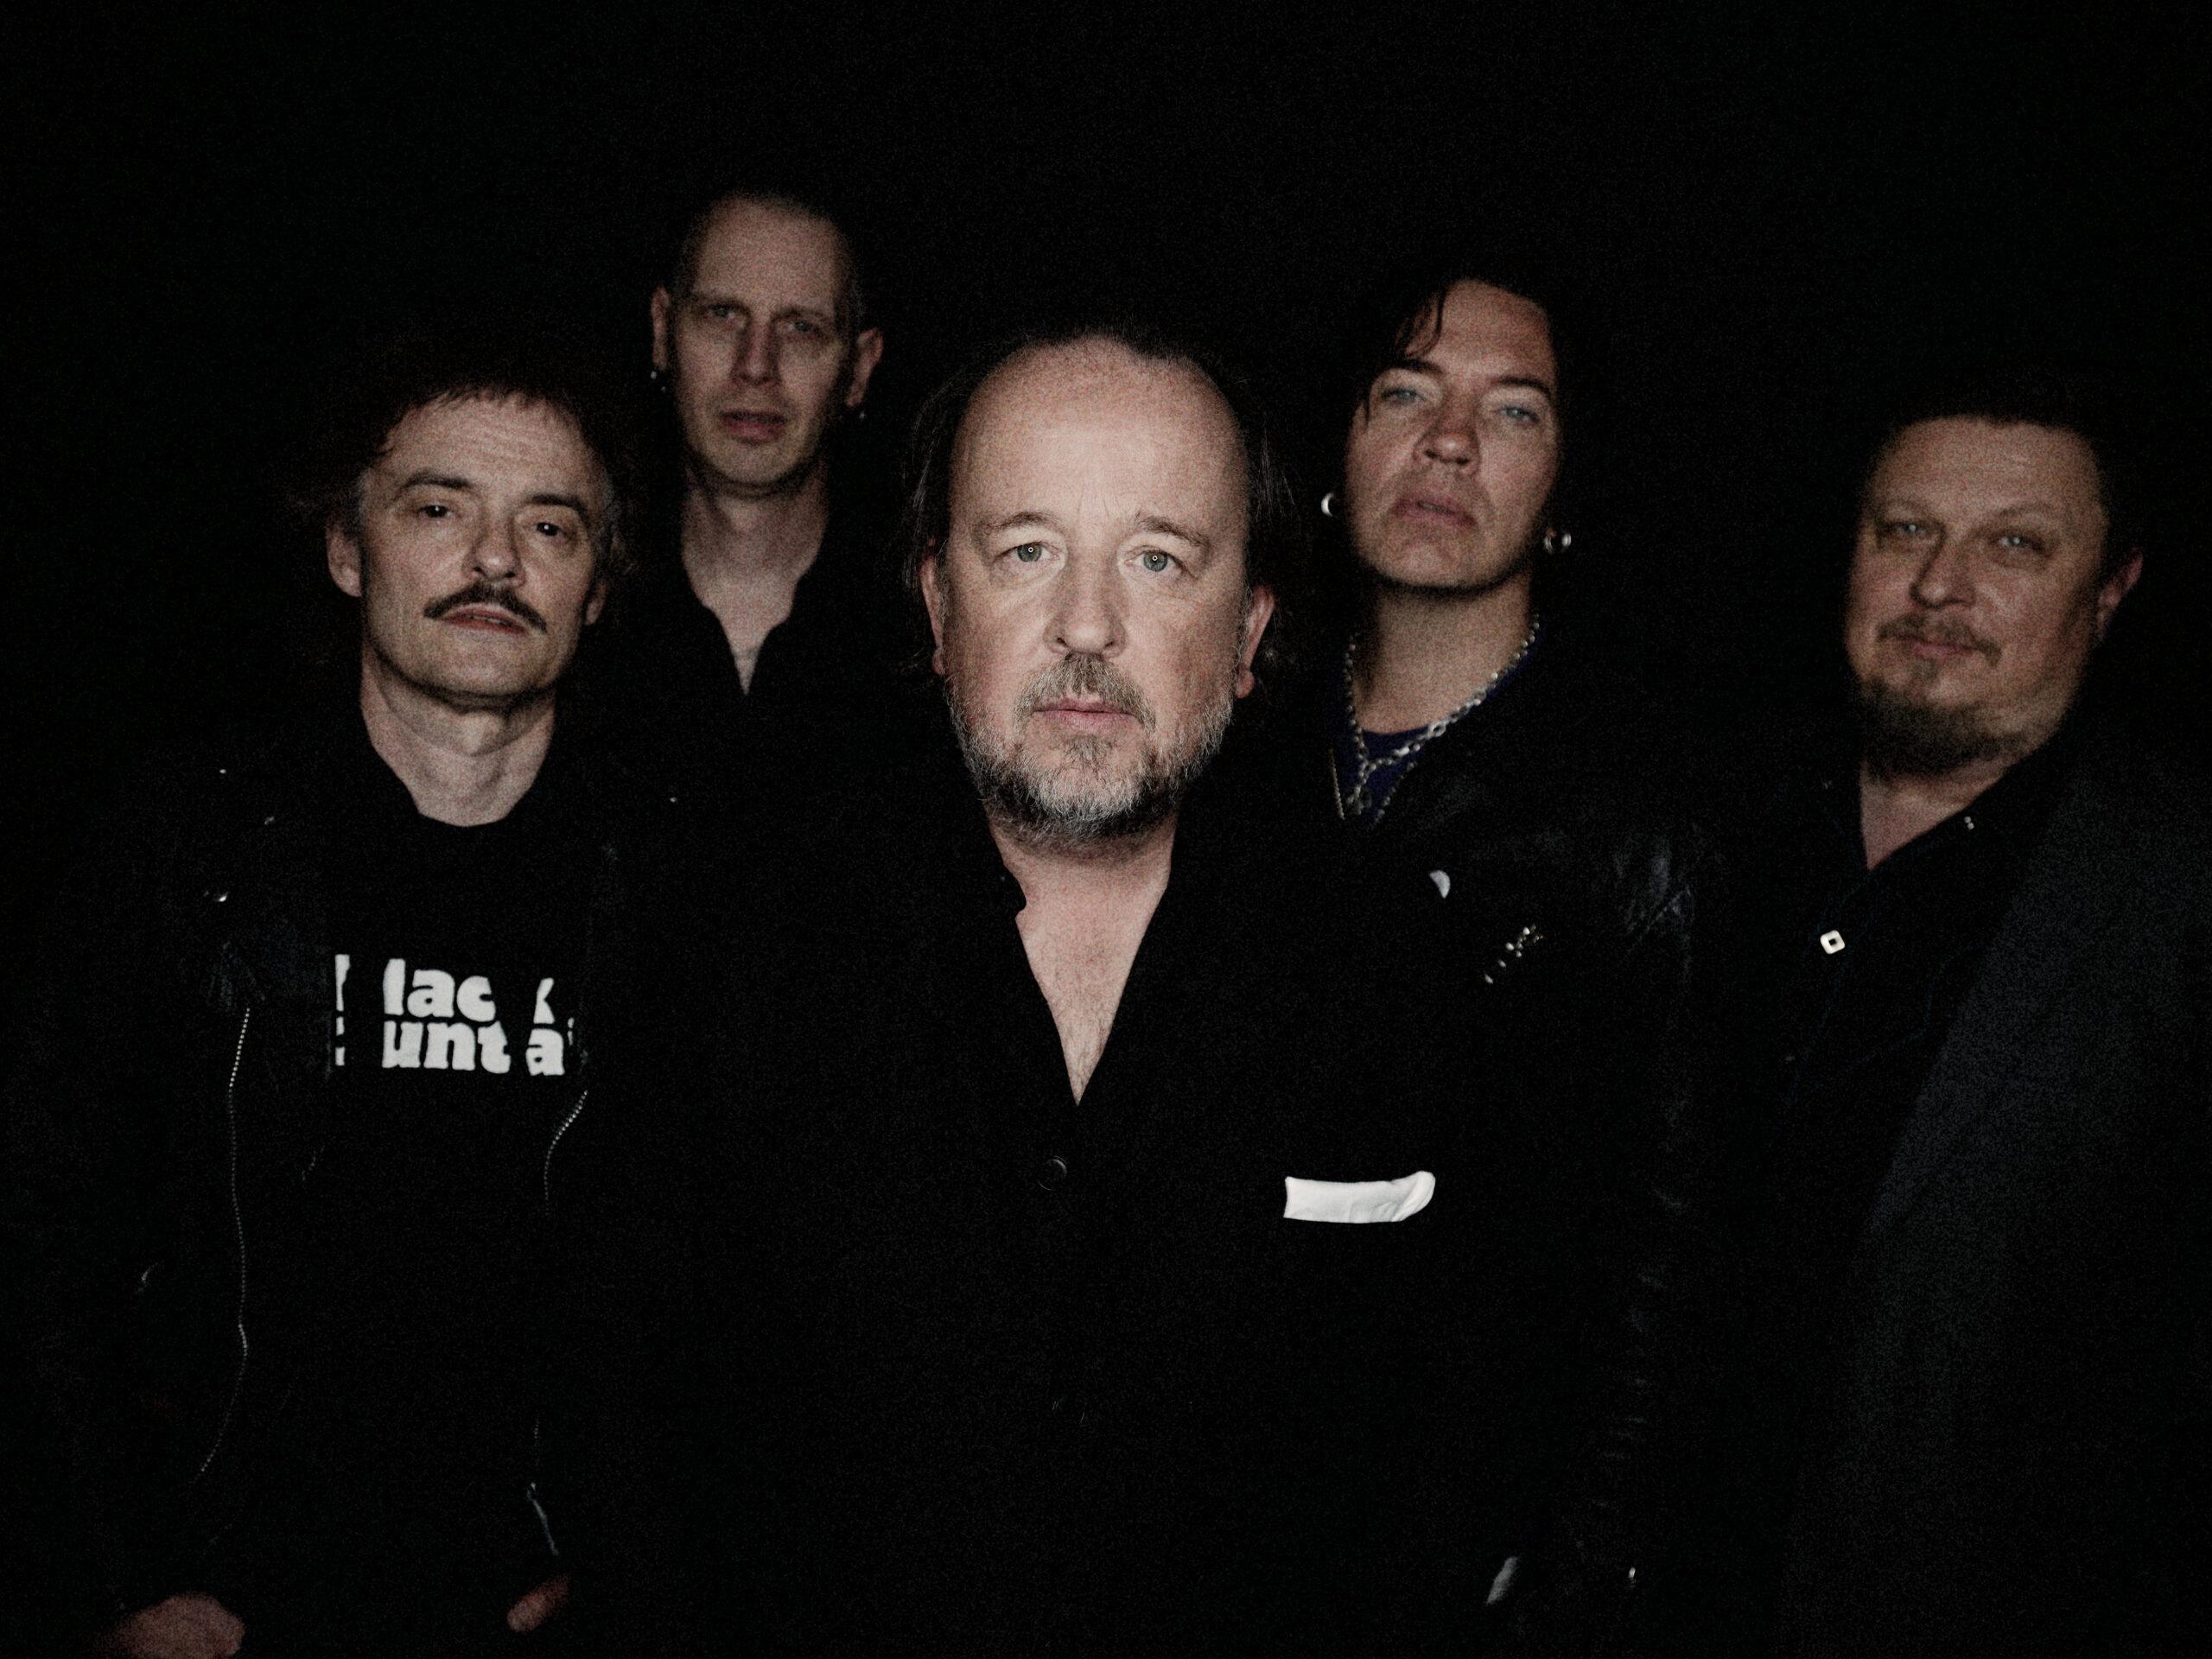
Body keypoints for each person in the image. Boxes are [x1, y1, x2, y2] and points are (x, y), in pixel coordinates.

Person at [650, 317, 1624, 1652]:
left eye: (1158, 559)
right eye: (1027, 551)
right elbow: (644, 1427)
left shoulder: (1396, 982)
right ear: (938, 606)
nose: (1088, 626)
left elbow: (1463, 1448)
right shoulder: (743, 956)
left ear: (1249, 628)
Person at [1, 327, 674, 1656]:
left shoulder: (674, 894)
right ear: (346, 548)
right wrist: (121, 1576)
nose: (496, 560)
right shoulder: (187, 851)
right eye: (439, 509)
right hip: (226, 1610)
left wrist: (635, 1568)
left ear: (599, 586)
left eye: (549, 526)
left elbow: (740, 1295)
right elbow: (44, 1231)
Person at [1669, 372, 2209, 1656]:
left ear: (2112, 589)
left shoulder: (2175, 894)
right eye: (1905, 530)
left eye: (2014, 545)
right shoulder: (1705, 817)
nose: (1939, 587)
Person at [1255, 254, 1725, 1631]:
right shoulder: (1232, 737)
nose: (1450, 441)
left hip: (1462, 1553)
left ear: (1564, 490)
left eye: (1514, 410)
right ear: (1342, 445)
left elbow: (1672, 1249)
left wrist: (1572, 1573)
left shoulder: (1642, 815)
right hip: (1208, 1507)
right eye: (1407, 392)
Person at [587, 184, 909, 786]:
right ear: (662, 331)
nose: (756, 365)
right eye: (722, 315)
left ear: (859, 368)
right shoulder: (577, 603)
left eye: (802, 328)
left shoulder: (925, 629)